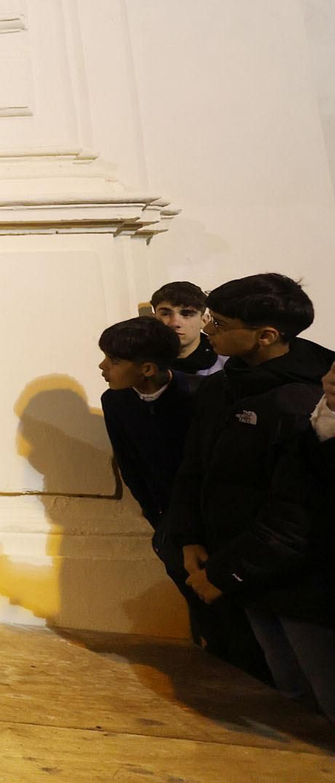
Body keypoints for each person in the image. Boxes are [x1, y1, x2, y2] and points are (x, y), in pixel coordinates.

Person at [164, 273, 332, 698]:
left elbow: (298, 510)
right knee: (285, 696)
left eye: (218, 323)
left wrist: (228, 570)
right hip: (239, 571)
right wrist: (188, 536)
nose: (207, 330)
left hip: (299, 583)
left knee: (321, 698)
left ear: (266, 335)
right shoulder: (223, 384)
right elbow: (193, 466)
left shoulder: (303, 400)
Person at [97, 316, 193, 530]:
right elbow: (129, 463)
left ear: (147, 369)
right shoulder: (114, 400)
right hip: (166, 521)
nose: (102, 366)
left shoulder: (200, 394)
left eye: (114, 361)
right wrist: (156, 518)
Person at [151, 281, 226, 376]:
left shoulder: (229, 365)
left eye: (186, 314)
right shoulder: (137, 364)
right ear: (154, 320)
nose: (175, 323)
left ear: (204, 321)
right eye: (165, 314)